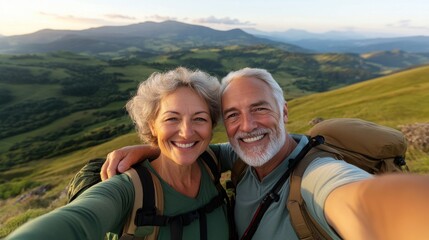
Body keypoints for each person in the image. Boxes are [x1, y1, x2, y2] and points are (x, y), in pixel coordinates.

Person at [101, 67, 429, 240]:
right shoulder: (242, 158)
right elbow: (195, 148)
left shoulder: (318, 175)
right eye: (232, 115)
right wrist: (155, 146)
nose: (247, 126)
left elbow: (362, 201)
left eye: (260, 109)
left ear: (284, 111)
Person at [5, 67, 230, 240]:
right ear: (152, 126)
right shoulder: (128, 189)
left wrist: (152, 149)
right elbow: (77, 220)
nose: (186, 132)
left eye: (199, 118)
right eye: (171, 118)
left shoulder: (211, 161)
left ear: (211, 125)